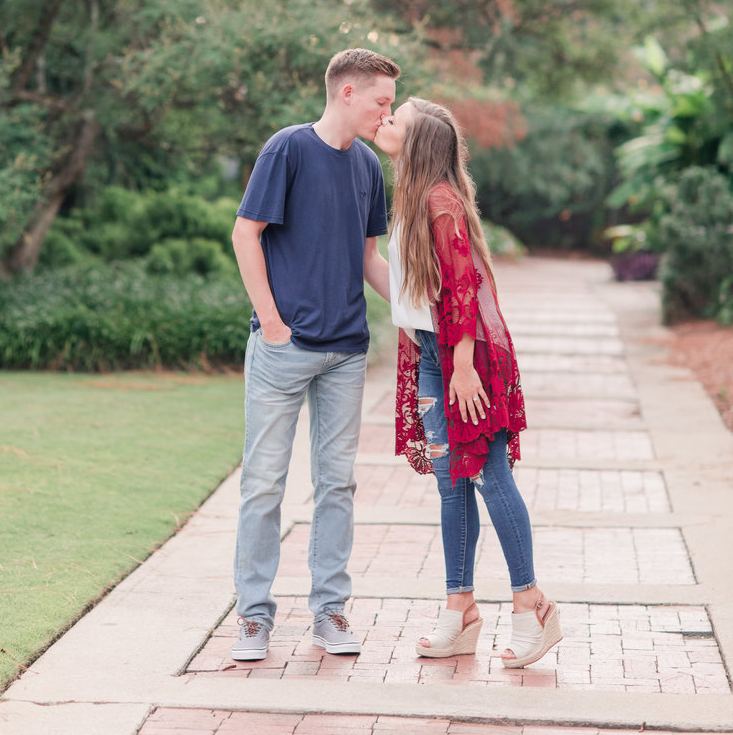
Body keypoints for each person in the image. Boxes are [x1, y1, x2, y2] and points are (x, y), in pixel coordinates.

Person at [373, 97, 562, 668]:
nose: (385, 122)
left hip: (464, 360)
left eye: (394, 118)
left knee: (488, 476)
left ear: (418, 140)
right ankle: (461, 611)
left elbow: (462, 287)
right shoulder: (413, 196)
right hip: (437, 355)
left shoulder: (440, 200)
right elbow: (416, 292)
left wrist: (459, 365)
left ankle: (534, 607)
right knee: (452, 483)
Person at [229, 48, 400, 661]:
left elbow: (368, 259)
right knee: (264, 485)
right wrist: (272, 322)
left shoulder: (369, 169)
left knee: (337, 486)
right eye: (382, 101)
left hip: (346, 353)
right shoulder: (288, 149)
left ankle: (329, 612)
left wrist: (415, 318)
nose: (388, 113)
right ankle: (252, 617)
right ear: (347, 93)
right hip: (284, 350)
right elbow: (245, 232)